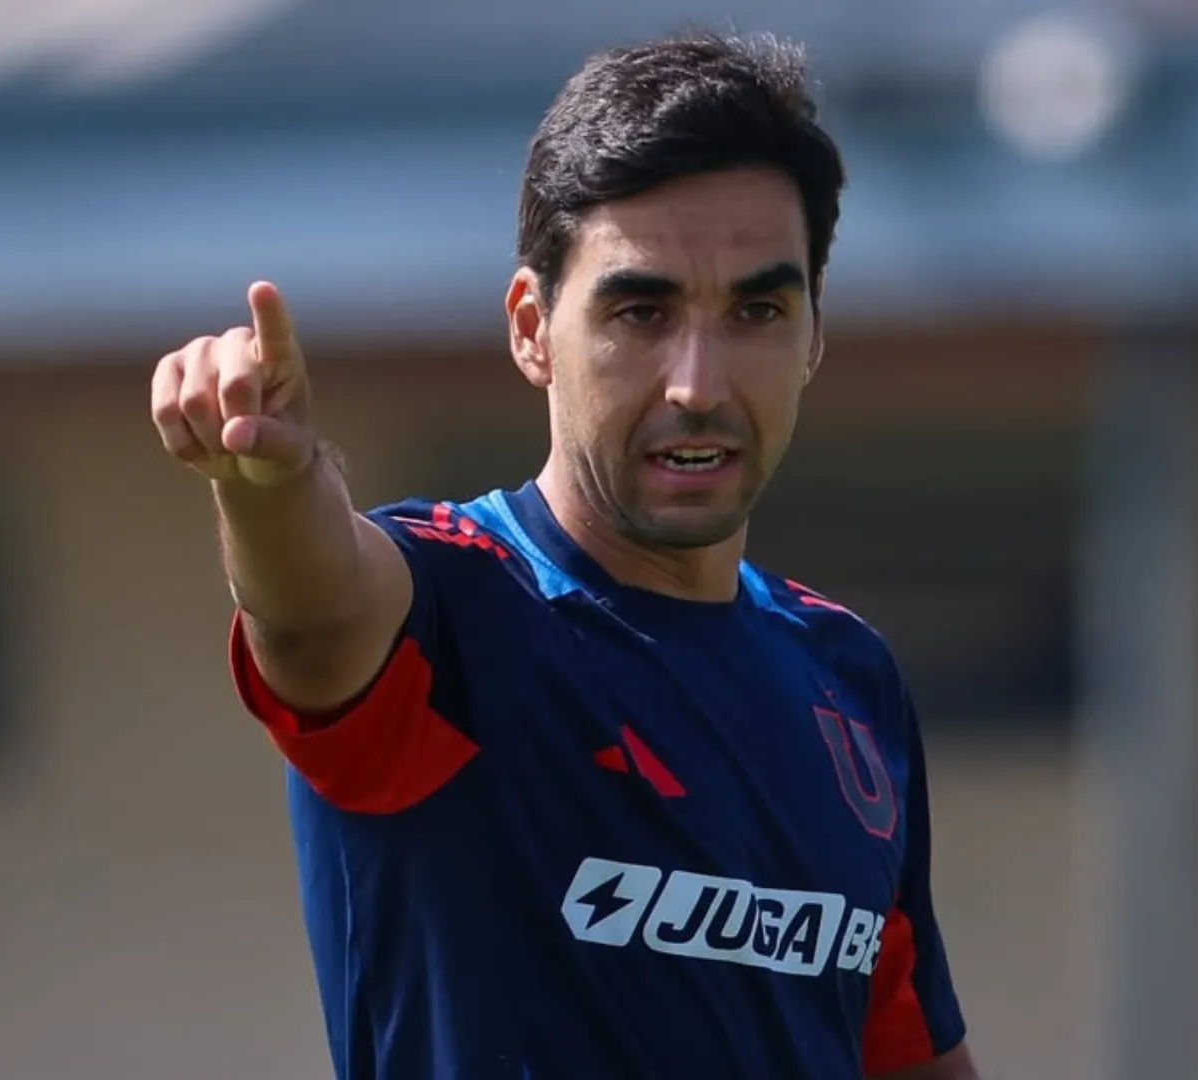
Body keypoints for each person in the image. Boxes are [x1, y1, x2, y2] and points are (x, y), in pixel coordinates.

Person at [149, 30, 979, 1080]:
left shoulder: (848, 677)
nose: (697, 383)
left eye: (757, 311)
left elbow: (904, 1055)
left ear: (813, 333)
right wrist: (268, 487)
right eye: (642, 310)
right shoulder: (455, 614)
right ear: (533, 327)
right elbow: (314, 615)